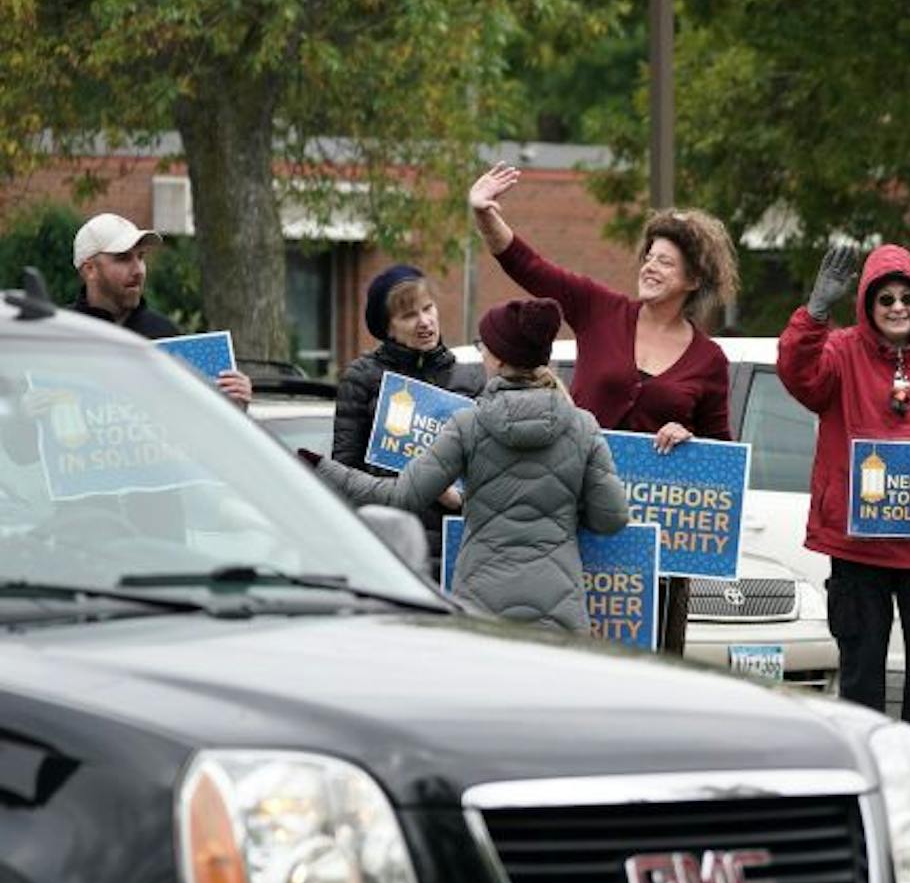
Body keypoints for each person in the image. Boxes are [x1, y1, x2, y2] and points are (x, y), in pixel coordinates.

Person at [778, 242, 910, 759]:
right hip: (858, 547)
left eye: (908, 299)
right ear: (868, 307)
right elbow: (797, 375)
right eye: (885, 300)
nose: (898, 308)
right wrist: (813, 314)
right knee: (861, 664)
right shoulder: (839, 350)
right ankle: (864, 765)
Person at [312, 298, 630, 633]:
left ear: (500, 359)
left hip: (482, 603)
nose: (481, 356)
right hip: (561, 606)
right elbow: (612, 518)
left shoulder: (469, 425)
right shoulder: (583, 426)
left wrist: (320, 467)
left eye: (484, 347)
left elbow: (400, 497)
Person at [468, 164, 735, 446]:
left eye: (665, 262)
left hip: (650, 490)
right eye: (649, 257)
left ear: (693, 280)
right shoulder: (599, 308)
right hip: (577, 484)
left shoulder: (710, 360)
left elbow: (722, 455)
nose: (650, 267)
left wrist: (688, 439)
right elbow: (529, 266)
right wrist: (484, 214)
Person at [332, 264, 484, 548]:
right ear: (388, 329)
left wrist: (461, 497)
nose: (424, 322)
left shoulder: (471, 378)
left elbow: (492, 472)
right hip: (390, 539)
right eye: (409, 315)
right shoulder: (362, 377)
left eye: (428, 308)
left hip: (456, 541)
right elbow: (345, 472)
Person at [71, 212, 252, 407]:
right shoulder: (58, 336)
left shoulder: (165, 335)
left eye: (141, 257)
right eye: (123, 258)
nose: (138, 270)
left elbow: (191, 419)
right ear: (90, 270)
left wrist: (235, 404)